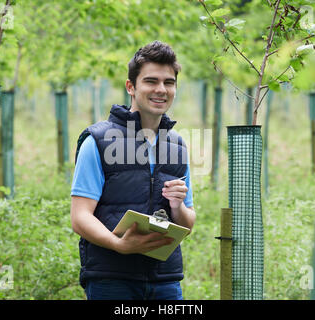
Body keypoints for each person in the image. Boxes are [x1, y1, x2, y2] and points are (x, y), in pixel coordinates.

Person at [70, 40, 196, 300]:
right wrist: (120, 245)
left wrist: (178, 206)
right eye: (151, 81)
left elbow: (188, 221)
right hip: (112, 280)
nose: (161, 90)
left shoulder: (177, 145)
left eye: (169, 82)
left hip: (166, 281)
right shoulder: (98, 140)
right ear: (131, 87)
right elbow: (80, 216)